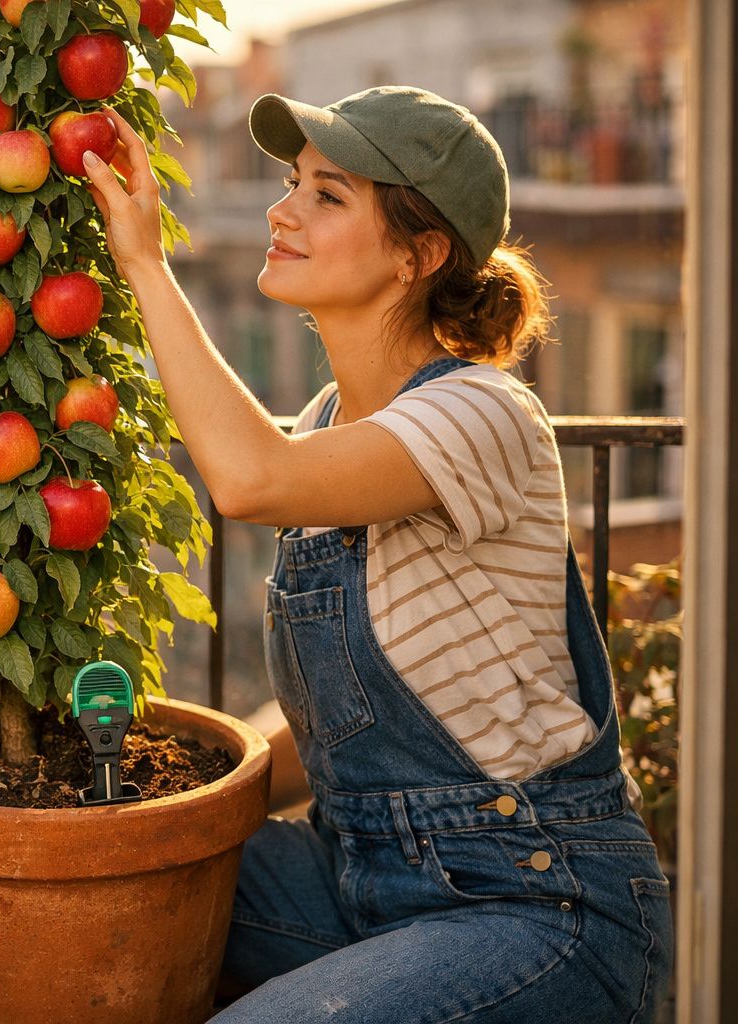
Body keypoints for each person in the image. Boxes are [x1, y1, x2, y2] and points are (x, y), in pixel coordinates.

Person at [82, 85, 673, 1023]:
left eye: (328, 195)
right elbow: (346, 725)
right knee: (83, 883)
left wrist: (146, 264)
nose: (283, 210)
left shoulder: (482, 410)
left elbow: (246, 479)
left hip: (535, 900)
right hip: (357, 869)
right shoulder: (326, 423)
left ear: (419, 252)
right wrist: (162, 787)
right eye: (292, 183)